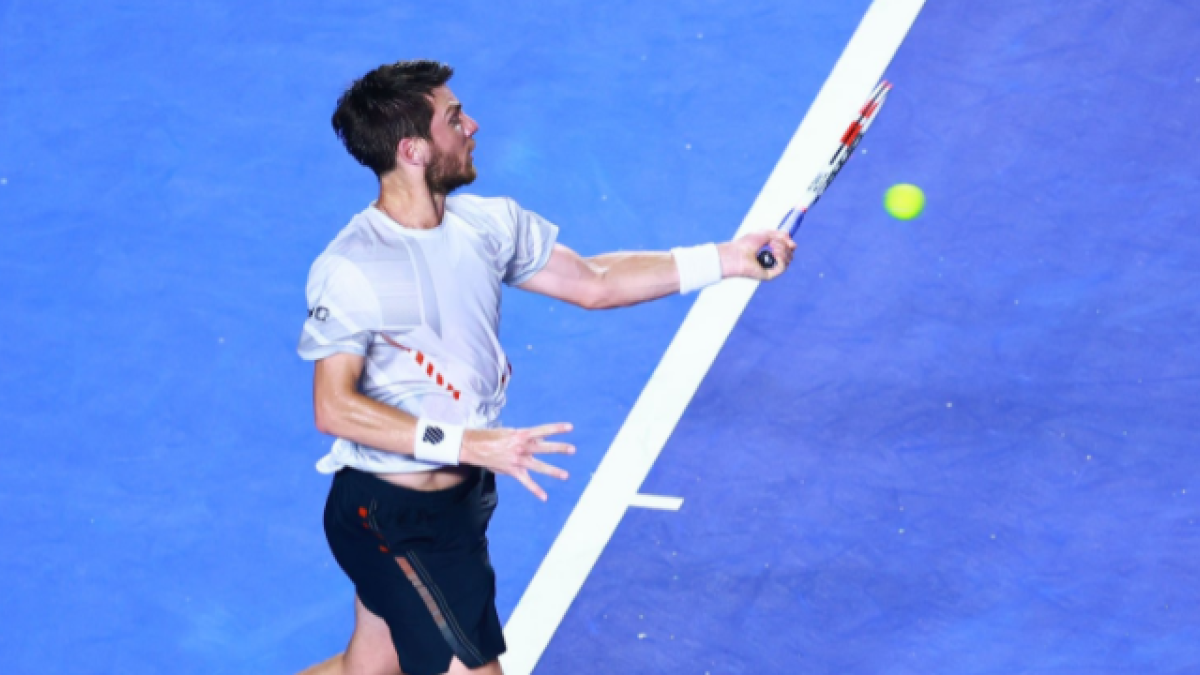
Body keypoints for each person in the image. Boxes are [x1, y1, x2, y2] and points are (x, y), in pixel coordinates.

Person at [297, 60, 795, 675]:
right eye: (454, 119)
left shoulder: (486, 224)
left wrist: (726, 259)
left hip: (458, 506)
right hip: (388, 516)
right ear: (414, 150)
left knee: (367, 669)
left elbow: (595, 282)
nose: (472, 125)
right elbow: (334, 406)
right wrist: (467, 442)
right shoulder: (352, 267)